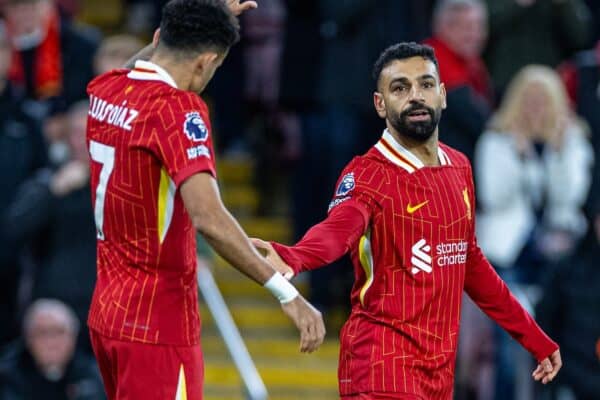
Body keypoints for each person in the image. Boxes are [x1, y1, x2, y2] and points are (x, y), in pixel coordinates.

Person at [252, 42, 562, 399]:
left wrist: (534, 337)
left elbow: (469, 261)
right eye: (400, 88)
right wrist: (295, 257)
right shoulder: (368, 174)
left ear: (442, 95)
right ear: (380, 104)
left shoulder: (459, 166)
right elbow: (340, 228)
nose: (416, 96)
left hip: (437, 372)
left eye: (426, 85)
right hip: (381, 365)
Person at [85, 1, 325, 399]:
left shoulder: (105, 88)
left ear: (160, 38)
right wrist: (288, 294)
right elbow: (209, 218)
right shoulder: (177, 110)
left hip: (109, 316)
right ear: (206, 62)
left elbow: (142, 62)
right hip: (158, 326)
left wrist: (204, 13)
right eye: (214, 68)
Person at [5, 101, 97, 354]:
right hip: (53, 306)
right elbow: (13, 229)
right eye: (77, 133)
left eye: (91, 133)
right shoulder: (47, 181)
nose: (83, 141)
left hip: (103, 307)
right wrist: (54, 191)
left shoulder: (122, 186)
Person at [424, 0, 492, 162]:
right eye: (467, 28)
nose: (476, 35)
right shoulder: (431, 61)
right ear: (443, 27)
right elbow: (475, 120)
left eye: (479, 27)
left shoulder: (471, 62)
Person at [0, 299, 105, 400]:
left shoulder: (95, 375)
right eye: (42, 332)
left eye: (59, 332)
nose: (51, 342)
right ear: (28, 339)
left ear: (73, 338)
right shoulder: (6, 377)